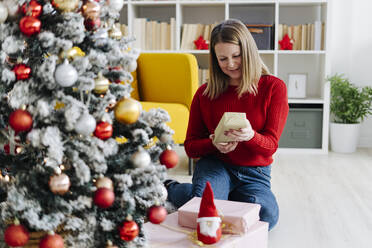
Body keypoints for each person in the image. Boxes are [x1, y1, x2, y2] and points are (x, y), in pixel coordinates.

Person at [165, 19, 289, 231]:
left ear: (248, 52)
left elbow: (271, 145)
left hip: (255, 173)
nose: (230, 64)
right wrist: (213, 143)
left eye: (236, 56)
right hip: (216, 165)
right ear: (214, 59)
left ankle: (207, 194)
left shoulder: (273, 87)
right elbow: (191, 147)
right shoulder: (205, 93)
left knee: (266, 215)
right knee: (205, 215)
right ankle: (170, 188)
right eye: (222, 58)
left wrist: (251, 136)